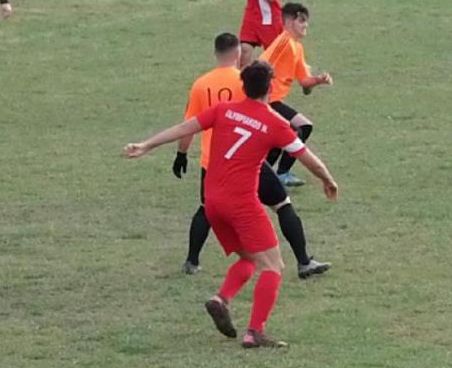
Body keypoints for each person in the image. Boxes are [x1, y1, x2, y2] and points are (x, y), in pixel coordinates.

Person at [123, 61, 338, 349]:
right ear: (270, 88)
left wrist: (146, 145)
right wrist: (328, 180)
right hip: (242, 205)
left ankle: (220, 299)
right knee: (273, 266)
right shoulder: (275, 122)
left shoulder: (225, 110)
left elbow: (184, 127)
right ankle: (255, 332)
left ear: (244, 87)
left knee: (249, 259)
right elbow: (306, 156)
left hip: (212, 202)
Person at [173, 32, 331, 279]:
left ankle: (191, 262)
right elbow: (264, 116)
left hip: (213, 162)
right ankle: (303, 262)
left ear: (215, 54)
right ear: (238, 53)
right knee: (282, 204)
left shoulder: (201, 84)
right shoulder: (245, 81)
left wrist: (181, 154)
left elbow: (189, 124)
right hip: (249, 161)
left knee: (207, 208)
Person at [259, 2, 332, 187]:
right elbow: (261, 65)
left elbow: (305, 84)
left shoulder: (297, 47)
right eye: (302, 21)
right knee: (292, 131)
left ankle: (274, 173)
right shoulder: (283, 42)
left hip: (275, 100)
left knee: (302, 128)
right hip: (268, 100)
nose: (305, 25)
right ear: (291, 21)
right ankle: (268, 173)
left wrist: (318, 80)